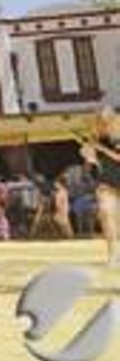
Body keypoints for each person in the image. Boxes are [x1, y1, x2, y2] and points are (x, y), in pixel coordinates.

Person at [78, 107, 119, 266]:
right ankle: (113, 255)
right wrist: (88, 155)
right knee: (106, 213)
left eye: (103, 122)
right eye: (99, 122)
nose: (100, 126)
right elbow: (93, 165)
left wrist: (101, 148)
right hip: (107, 183)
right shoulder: (97, 138)